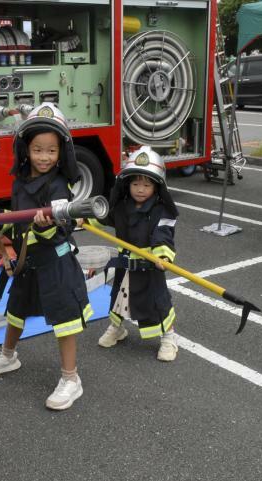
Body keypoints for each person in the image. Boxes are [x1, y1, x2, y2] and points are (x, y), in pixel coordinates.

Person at [0, 103, 93, 410]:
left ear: (61, 153)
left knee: (64, 319)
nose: (44, 157)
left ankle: (71, 379)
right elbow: (18, 219)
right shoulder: (20, 180)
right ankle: (8, 355)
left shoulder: (58, 184)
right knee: (16, 309)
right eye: (38, 150)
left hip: (56, 260)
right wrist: (2, 229)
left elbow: (60, 230)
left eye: (51, 151)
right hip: (29, 262)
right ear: (26, 149)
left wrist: (45, 226)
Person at [96, 146, 180, 361]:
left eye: (146, 184)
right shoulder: (122, 206)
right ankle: (117, 328)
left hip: (149, 266)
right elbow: (104, 217)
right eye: (135, 183)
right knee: (118, 299)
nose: (140, 189)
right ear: (127, 184)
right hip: (125, 264)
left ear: (156, 186)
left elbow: (163, 233)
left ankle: (169, 337)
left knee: (158, 303)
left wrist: (162, 256)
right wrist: (85, 216)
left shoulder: (162, 210)